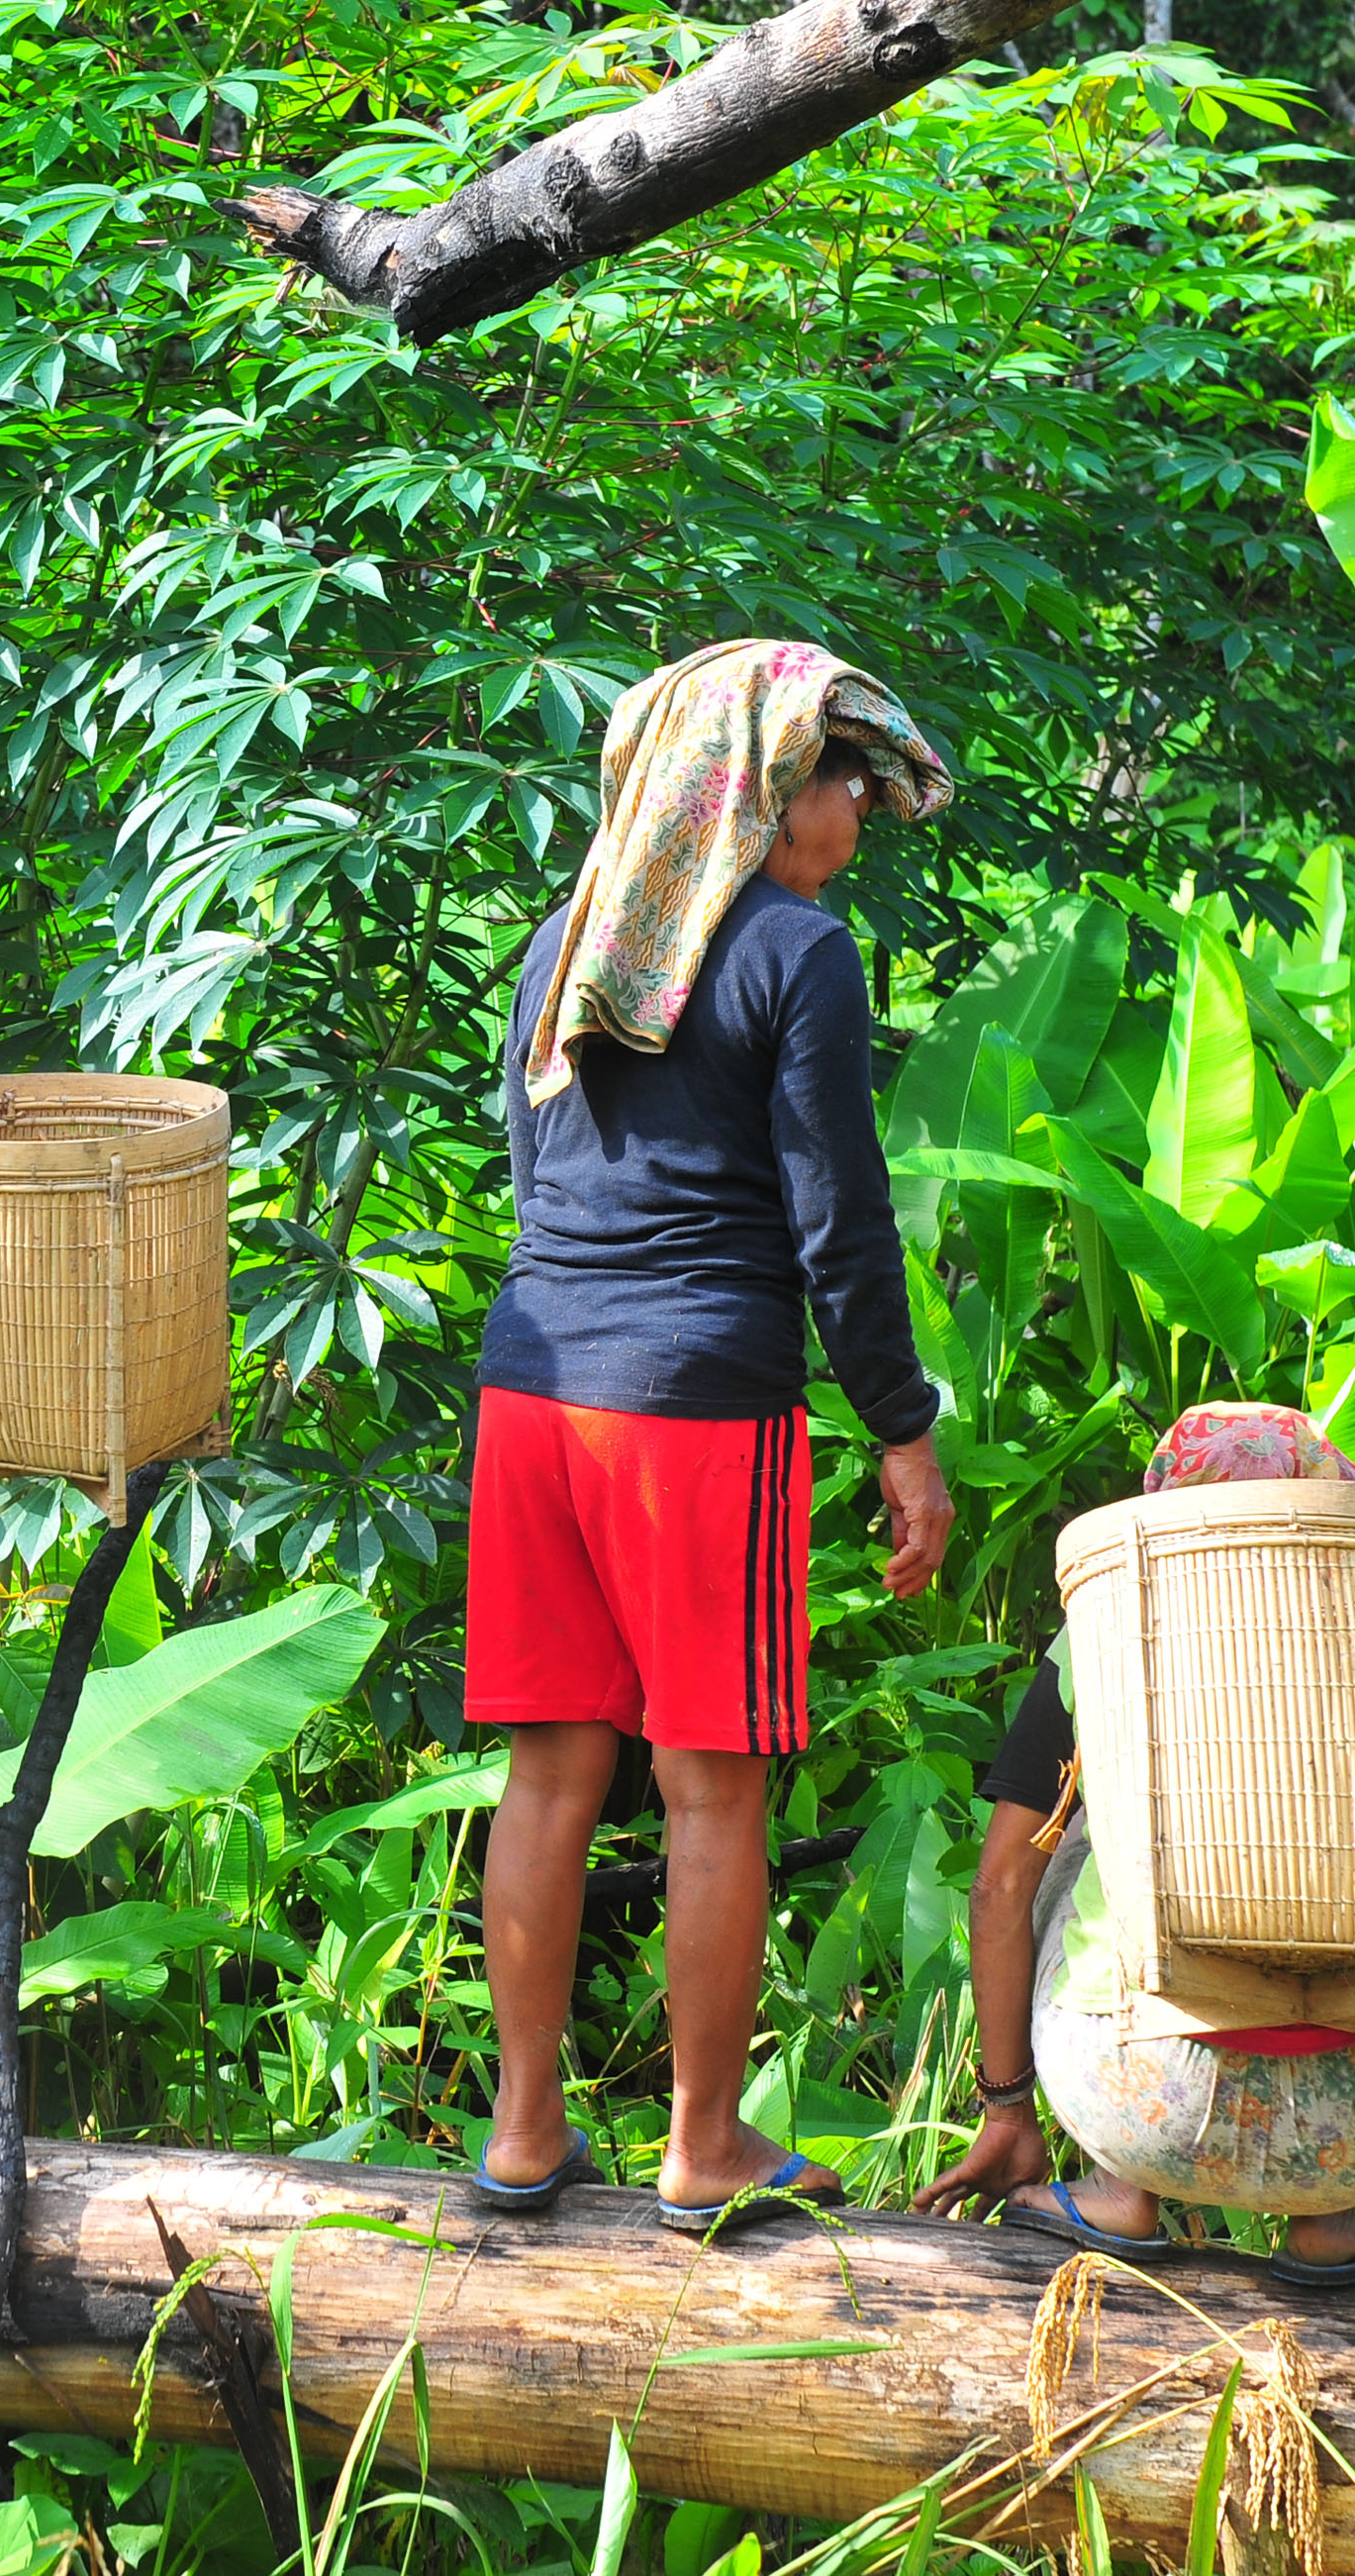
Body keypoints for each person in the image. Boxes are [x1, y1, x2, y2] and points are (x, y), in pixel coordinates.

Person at [464, 639, 962, 2236]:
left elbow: (534, 1175)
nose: (857, 815)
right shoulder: (796, 951)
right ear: (762, 788)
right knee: (712, 1785)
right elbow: (840, 1217)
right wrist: (902, 1429)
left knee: (550, 1770)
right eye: (844, 781)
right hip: (691, 1408)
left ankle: (523, 2131)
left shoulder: (563, 938)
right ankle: (702, 2141)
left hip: (534, 1387)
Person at [919, 1406, 1355, 2294]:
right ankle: (1330, 2218)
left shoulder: (1102, 1629)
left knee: (1069, 1836)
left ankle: (1121, 2191)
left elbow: (998, 1889)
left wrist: (1009, 2113)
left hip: (1142, 2098)